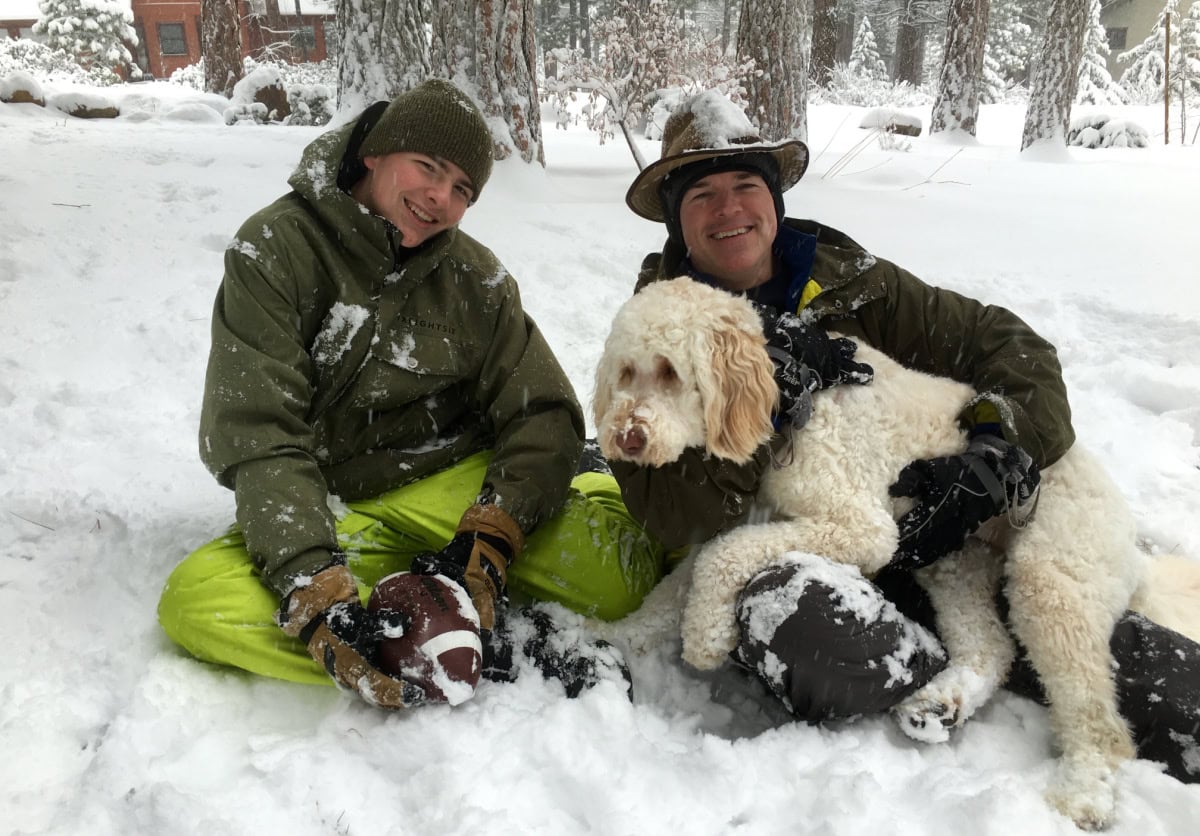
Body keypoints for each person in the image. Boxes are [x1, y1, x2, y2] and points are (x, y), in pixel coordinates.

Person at [612, 90, 1200, 782]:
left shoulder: (858, 286)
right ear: (677, 220)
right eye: (702, 194)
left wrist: (994, 454)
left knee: (1165, 693)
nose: (730, 210)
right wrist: (765, 414)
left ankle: (1053, 667)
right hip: (842, 552)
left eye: (746, 185)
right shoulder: (652, 334)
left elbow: (1012, 348)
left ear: (773, 197)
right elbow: (682, 517)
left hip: (995, 516)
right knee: (804, 627)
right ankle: (960, 660)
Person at [157, 79, 663, 709]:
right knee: (196, 604)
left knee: (621, 584)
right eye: (428, 168)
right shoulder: (273, 251)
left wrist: (495, 531)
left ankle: (580, 488)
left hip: (452, 483)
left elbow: (542, 412)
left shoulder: (475, 279)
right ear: (374, 151)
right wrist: (314, 585)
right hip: (335, 502)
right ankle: (478, 653)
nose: (439, 198)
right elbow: (259, 433)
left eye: (462, 190)